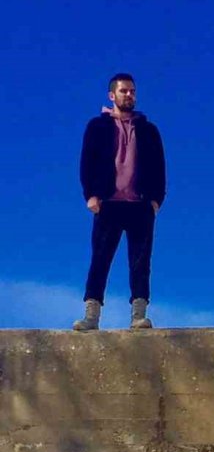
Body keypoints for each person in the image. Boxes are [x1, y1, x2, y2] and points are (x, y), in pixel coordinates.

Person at [75, 73, 166, 331]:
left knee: (140, 262)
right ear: (111, 95)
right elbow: (87, 162)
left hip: (140, 205)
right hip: (108, 204)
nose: (129, 95)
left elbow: (160, 166)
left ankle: (138, 316)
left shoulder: (148, 130)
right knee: (100, 260)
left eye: (132, 91)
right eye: (124, 91)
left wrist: (155, 200)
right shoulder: (97, 127)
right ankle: (91, 317)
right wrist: (91, 195)